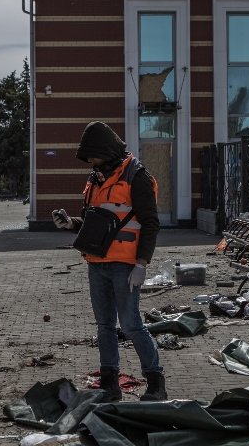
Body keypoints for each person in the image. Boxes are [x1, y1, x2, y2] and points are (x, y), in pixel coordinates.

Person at [53, 121, 167, 402]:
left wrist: (142, 263)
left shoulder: (136, 176)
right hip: (97, 262)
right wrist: (71, 223)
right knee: (104, 325)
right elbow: (96, 222)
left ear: (105, 150)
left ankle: (156, 383)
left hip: (125, 265)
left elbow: (150, 223)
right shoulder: (95, 178)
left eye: (92, 155)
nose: (89, 161)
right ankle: (109, 385)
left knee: (131, 325)